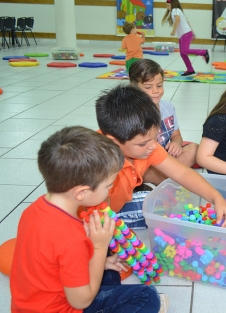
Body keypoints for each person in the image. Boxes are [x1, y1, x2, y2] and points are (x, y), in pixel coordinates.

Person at [10, 126, 168, 313]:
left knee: (109, 263)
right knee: (146, 296)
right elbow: (81, 302)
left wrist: (100, 260)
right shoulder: (72, 239)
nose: (110, 191)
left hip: (35, 301)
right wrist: (99, 247)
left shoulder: (33, 209)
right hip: (67, 305)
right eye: (108, 186)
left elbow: (54, 260)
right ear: (81, 193)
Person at [95, 84, 226, 229]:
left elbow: (182, 172)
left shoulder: (146, 144)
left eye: (155, 138)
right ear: (113, 141)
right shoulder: (99, 164)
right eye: (143, 143)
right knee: (156, 206)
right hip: (96, 218)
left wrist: (216, 198)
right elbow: (101, 217)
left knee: (167, 204)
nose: (154, 146)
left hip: (115, 207)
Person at [129, 59, 198, 185]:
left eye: (159, 85)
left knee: (194, 149)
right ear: (133, 87)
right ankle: (169, 178)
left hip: (165, 159)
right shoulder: (132, 115)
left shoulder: (168, 107)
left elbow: (176, 135)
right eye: (148, 87)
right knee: (138, 170)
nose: (156, 91)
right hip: (147, 162)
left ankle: (165, 178)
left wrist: (177, 144)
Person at [162, 0, 209, 76]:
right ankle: (190, 69)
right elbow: (186, 22)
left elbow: (177, 19)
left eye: (168, 6)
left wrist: (173, 31)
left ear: (172, 5)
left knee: (185, 51)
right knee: (183, 53)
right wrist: (193, 33)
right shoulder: (177, 11)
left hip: (185, 33)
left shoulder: (175, 10)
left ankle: (204, 52)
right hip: (184, 34)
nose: (167, 8)